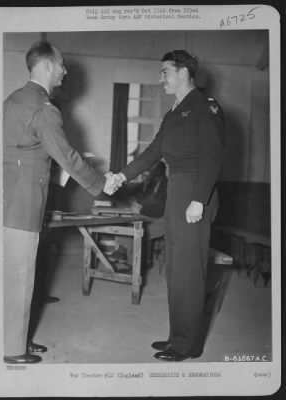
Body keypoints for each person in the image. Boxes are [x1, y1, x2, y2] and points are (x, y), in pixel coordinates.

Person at [3, 40, 117, 364]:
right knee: (21, 276)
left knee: (13, 274)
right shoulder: (43, 107)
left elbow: (27, 154)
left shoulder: (12, 99)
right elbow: (66, 156)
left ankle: (16, 338)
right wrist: (100, 184)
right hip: (23, 202)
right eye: (62, 64)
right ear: (48, 65)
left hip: (3, 198)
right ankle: (13, 350)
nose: (65, 71)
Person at [111, 50, 225, 361]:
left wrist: (198, 200)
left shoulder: (205, 107)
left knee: (189, 271)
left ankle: (188, 345)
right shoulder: (175, 111)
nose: (161, 78)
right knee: (176, 270)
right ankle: (178, 337)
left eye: (165, 72)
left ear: (185, 72)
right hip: (176, 191)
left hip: (194, 193)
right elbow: (153, 152)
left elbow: (213, 157)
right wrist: (122, 175)